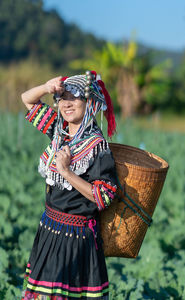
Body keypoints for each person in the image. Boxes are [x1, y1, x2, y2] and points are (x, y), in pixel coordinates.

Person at [21, 70, 117, 300]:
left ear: (90, 103)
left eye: (75, 97)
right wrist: (47, 87)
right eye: (63, 97)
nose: (67, 103)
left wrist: (66, 171)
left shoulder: (98, 147)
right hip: (49, 232)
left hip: (76, 239)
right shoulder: (58, 131)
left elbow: (104, 195)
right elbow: (27, 99)